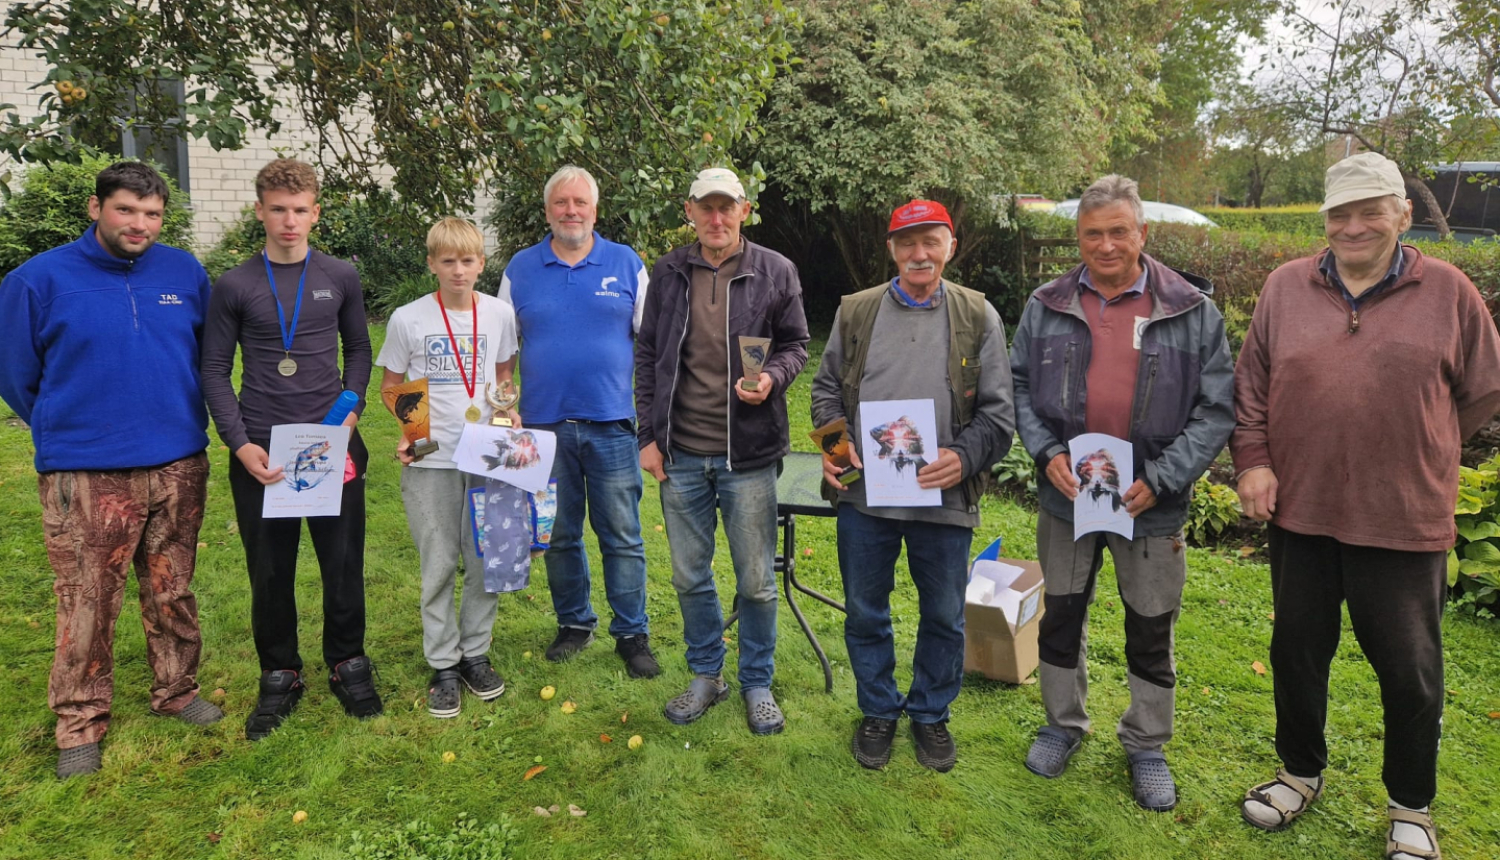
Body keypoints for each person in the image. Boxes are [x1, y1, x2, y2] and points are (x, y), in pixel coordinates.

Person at [1232, 152, 1500, 860]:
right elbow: (1252, 386)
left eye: (1369, 211)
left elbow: (1481, 392)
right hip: (1303, 514)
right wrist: (1254, 462)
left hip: (1403, 520)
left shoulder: (1449, 291)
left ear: (1402, 214)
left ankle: (1410, 807)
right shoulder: (1284, 287)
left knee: (1410, 671)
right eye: (1339, 214)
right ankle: (1299, 772)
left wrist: (1421, 447)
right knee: (1295, 653)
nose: (1353, 226)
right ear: (1324, 219)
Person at [1010, 174, 1234, 810]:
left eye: (1118, 232)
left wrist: (1163, 478)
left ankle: (1146, 743)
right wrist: (1047, 451)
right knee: (1061, 614)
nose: (1105, 245)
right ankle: (1062, 724)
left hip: (1151, 499)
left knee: (1150, 623)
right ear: (1077, 238)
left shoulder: (1191, 310)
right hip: (1067, 494)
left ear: (1142, 233)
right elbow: (1019, 385)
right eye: (1092, 234)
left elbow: (1217, 409)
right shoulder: (1046, 303)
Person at [0, 161, 224, 779]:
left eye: (152, 214)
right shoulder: (38, 280)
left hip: (178, 459)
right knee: (88, 599)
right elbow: (18, 377)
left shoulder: (183, 272)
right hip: (88, 470)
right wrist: (74, 424)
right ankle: (79, 721)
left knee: (171, 586)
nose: (140, 224)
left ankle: (176, 691)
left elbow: (207, 357)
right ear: (96, 208)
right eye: (127, 209)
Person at [810, 199, 1014, 772]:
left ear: (951, 245)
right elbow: (825, 390)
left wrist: (963, 458)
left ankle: (930, 715)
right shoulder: (857, 312)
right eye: (907, 243)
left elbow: (999, 416)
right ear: (892, 250)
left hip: (944, 500)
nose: (918, 254)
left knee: (944, 615)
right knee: (866, 611)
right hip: (865, 500)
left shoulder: (978, 316)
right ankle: (877, 710)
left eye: (931, 241)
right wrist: (834, 448)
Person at [201, 158, 381, 740]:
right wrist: (240, 443)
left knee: (342, 562)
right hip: (264, 454)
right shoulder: (235, 284)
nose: (289, 221)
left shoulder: (341, 275)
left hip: (330, 443)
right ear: (259, 211)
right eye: (278, 209)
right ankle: (280, 672)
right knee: (271, 570)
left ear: (315, 213)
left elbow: (358, 348)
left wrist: (351, 409)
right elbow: (212, 370)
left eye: (300, 210)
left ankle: (348, 661)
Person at [635, 167, 809, 734]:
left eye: (726, 208)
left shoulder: (774, 271)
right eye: (705, 208)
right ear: (690, 211)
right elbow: (647, 355)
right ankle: (707, 674)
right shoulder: (668, 272)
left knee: (756, 579)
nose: (716, 218)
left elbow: (796, 344)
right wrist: (647, 437)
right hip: (681, 451)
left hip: (749, 456)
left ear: (744, 210)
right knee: (689, 576)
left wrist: (773, 379)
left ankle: (757, 680)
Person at [499, 166, 657, 678]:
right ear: (548, 211)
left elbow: (651, 347)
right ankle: (574, 623)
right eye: (561, 203)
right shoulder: (520, 269)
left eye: (580, 203)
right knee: (560, 533)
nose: (571, 211)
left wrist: (652, 420)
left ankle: (632, 632)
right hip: (541, 430)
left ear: (595, 209)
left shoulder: (627, 263)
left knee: (623, 535)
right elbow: (502, 353)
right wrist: (504, 409)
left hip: (611, 424)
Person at [377, 217, 517, 718]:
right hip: (432, 457)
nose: (459, 271)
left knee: (484, 559)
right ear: (432, 263)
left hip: (486, 450)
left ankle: (475, 654)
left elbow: (504, 373)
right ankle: (442, 662)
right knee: (438, 561)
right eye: (448, 261)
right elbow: (393, 384)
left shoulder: (499, 314)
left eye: (468, 261)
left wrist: (505, 409)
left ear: (482, 263)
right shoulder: (408, 319)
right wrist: (411, 434)